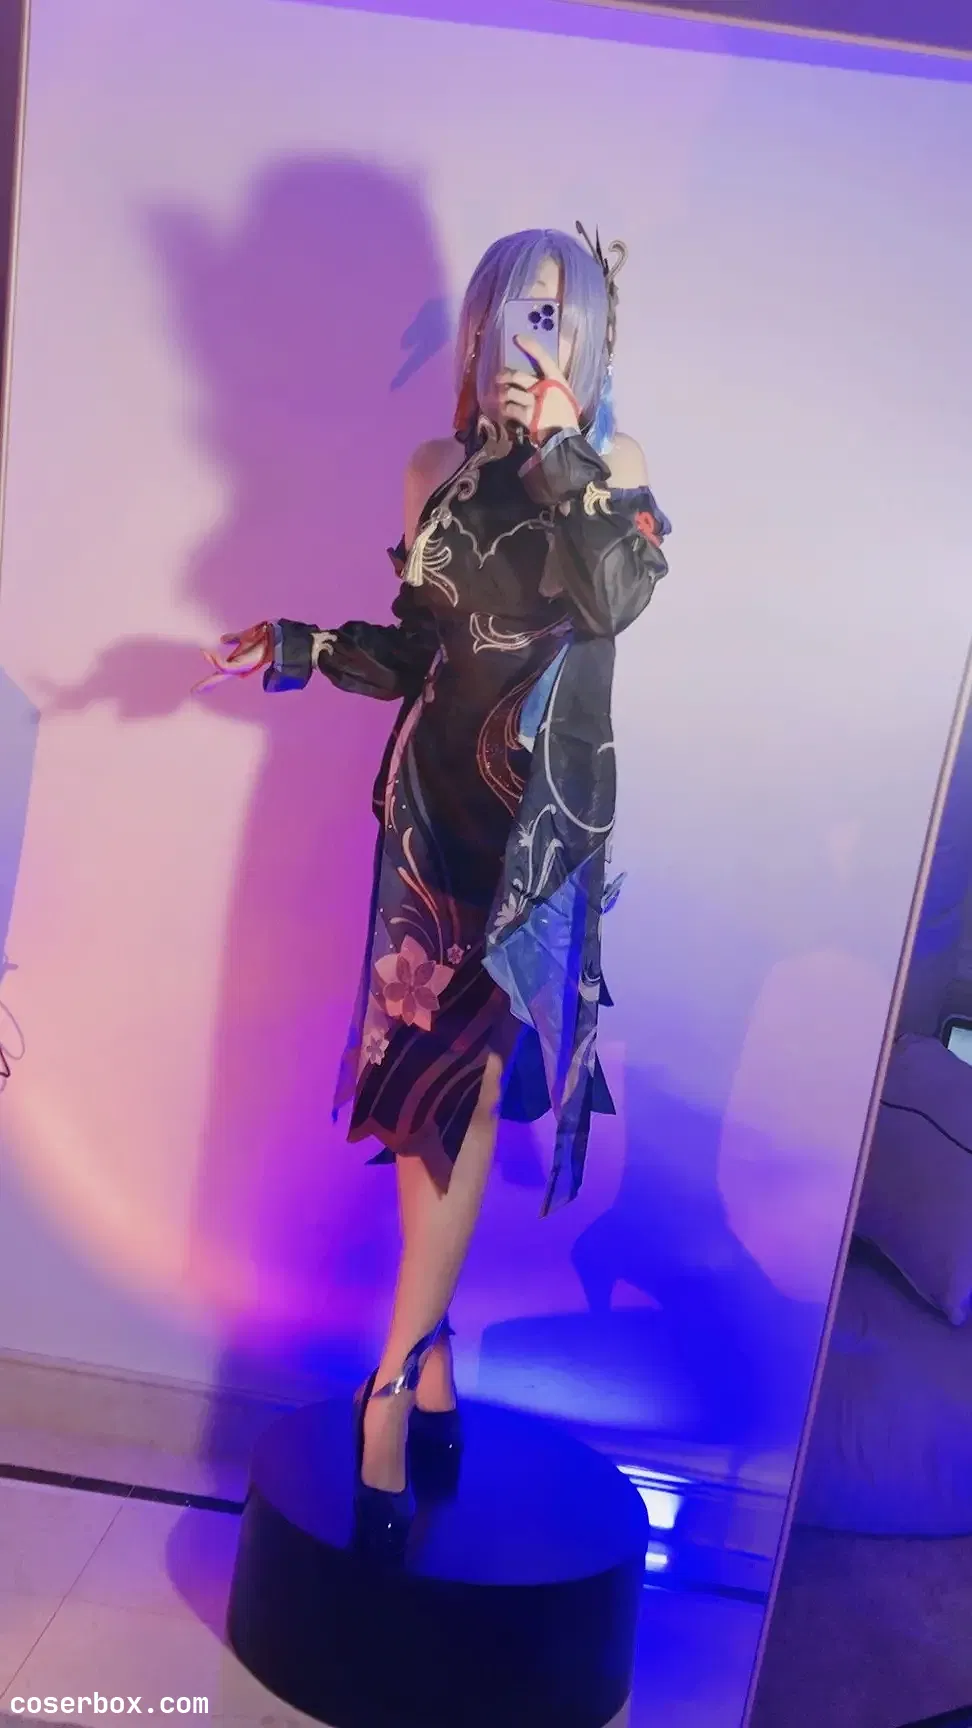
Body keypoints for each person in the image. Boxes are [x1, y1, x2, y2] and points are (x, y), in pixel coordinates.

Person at [198, 224, 671, 1552]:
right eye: (504, 313)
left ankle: (393, 1384)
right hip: (428, 828)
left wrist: (563, 456)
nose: (521, 340)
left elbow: (615, 598)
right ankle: (435, 1358)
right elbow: (419, 650)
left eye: (549, 315)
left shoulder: (615, 469)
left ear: (587, 335)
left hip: (536, 842)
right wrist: (295, 643)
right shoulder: (433, 472)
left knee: (463, 1104)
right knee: (423, 1111)